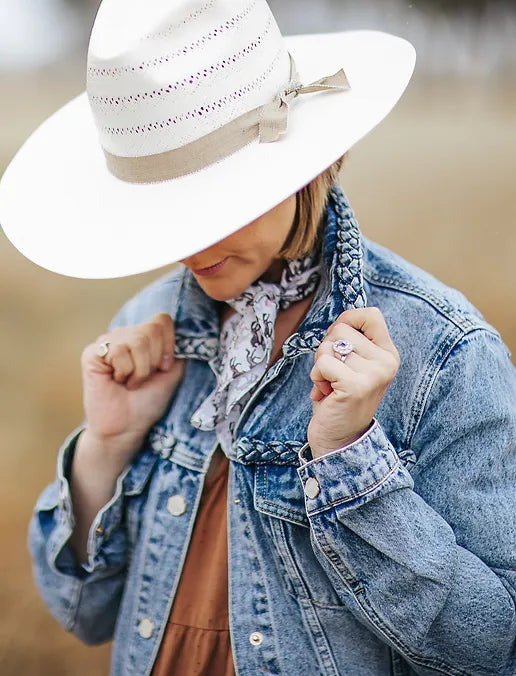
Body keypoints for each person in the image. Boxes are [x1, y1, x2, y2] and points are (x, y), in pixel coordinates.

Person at [1, 1, 514, 674]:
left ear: (304, 164)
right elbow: (80, 611)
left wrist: (351, 463)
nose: (189, 244)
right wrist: (107, 447)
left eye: (215, 199)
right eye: (163, 208)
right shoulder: (147, 325)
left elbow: (490, 645)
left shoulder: (443, 352)